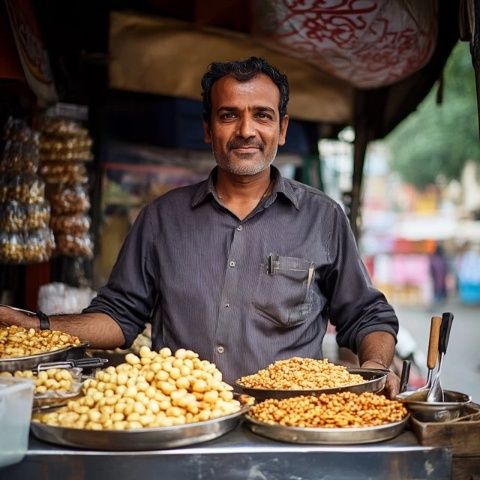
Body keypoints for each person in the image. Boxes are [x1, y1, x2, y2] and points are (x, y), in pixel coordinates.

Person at [0, 57, 400, 397]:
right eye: (230, 115)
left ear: (282, 128)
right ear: (208, 128)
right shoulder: (160, 218)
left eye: (262, 115)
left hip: (287, 427)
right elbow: (119, 317)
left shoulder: (323, 218)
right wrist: (38, 326)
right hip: (183, 421)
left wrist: (377, 367)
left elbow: (367, 315)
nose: (246, 130)